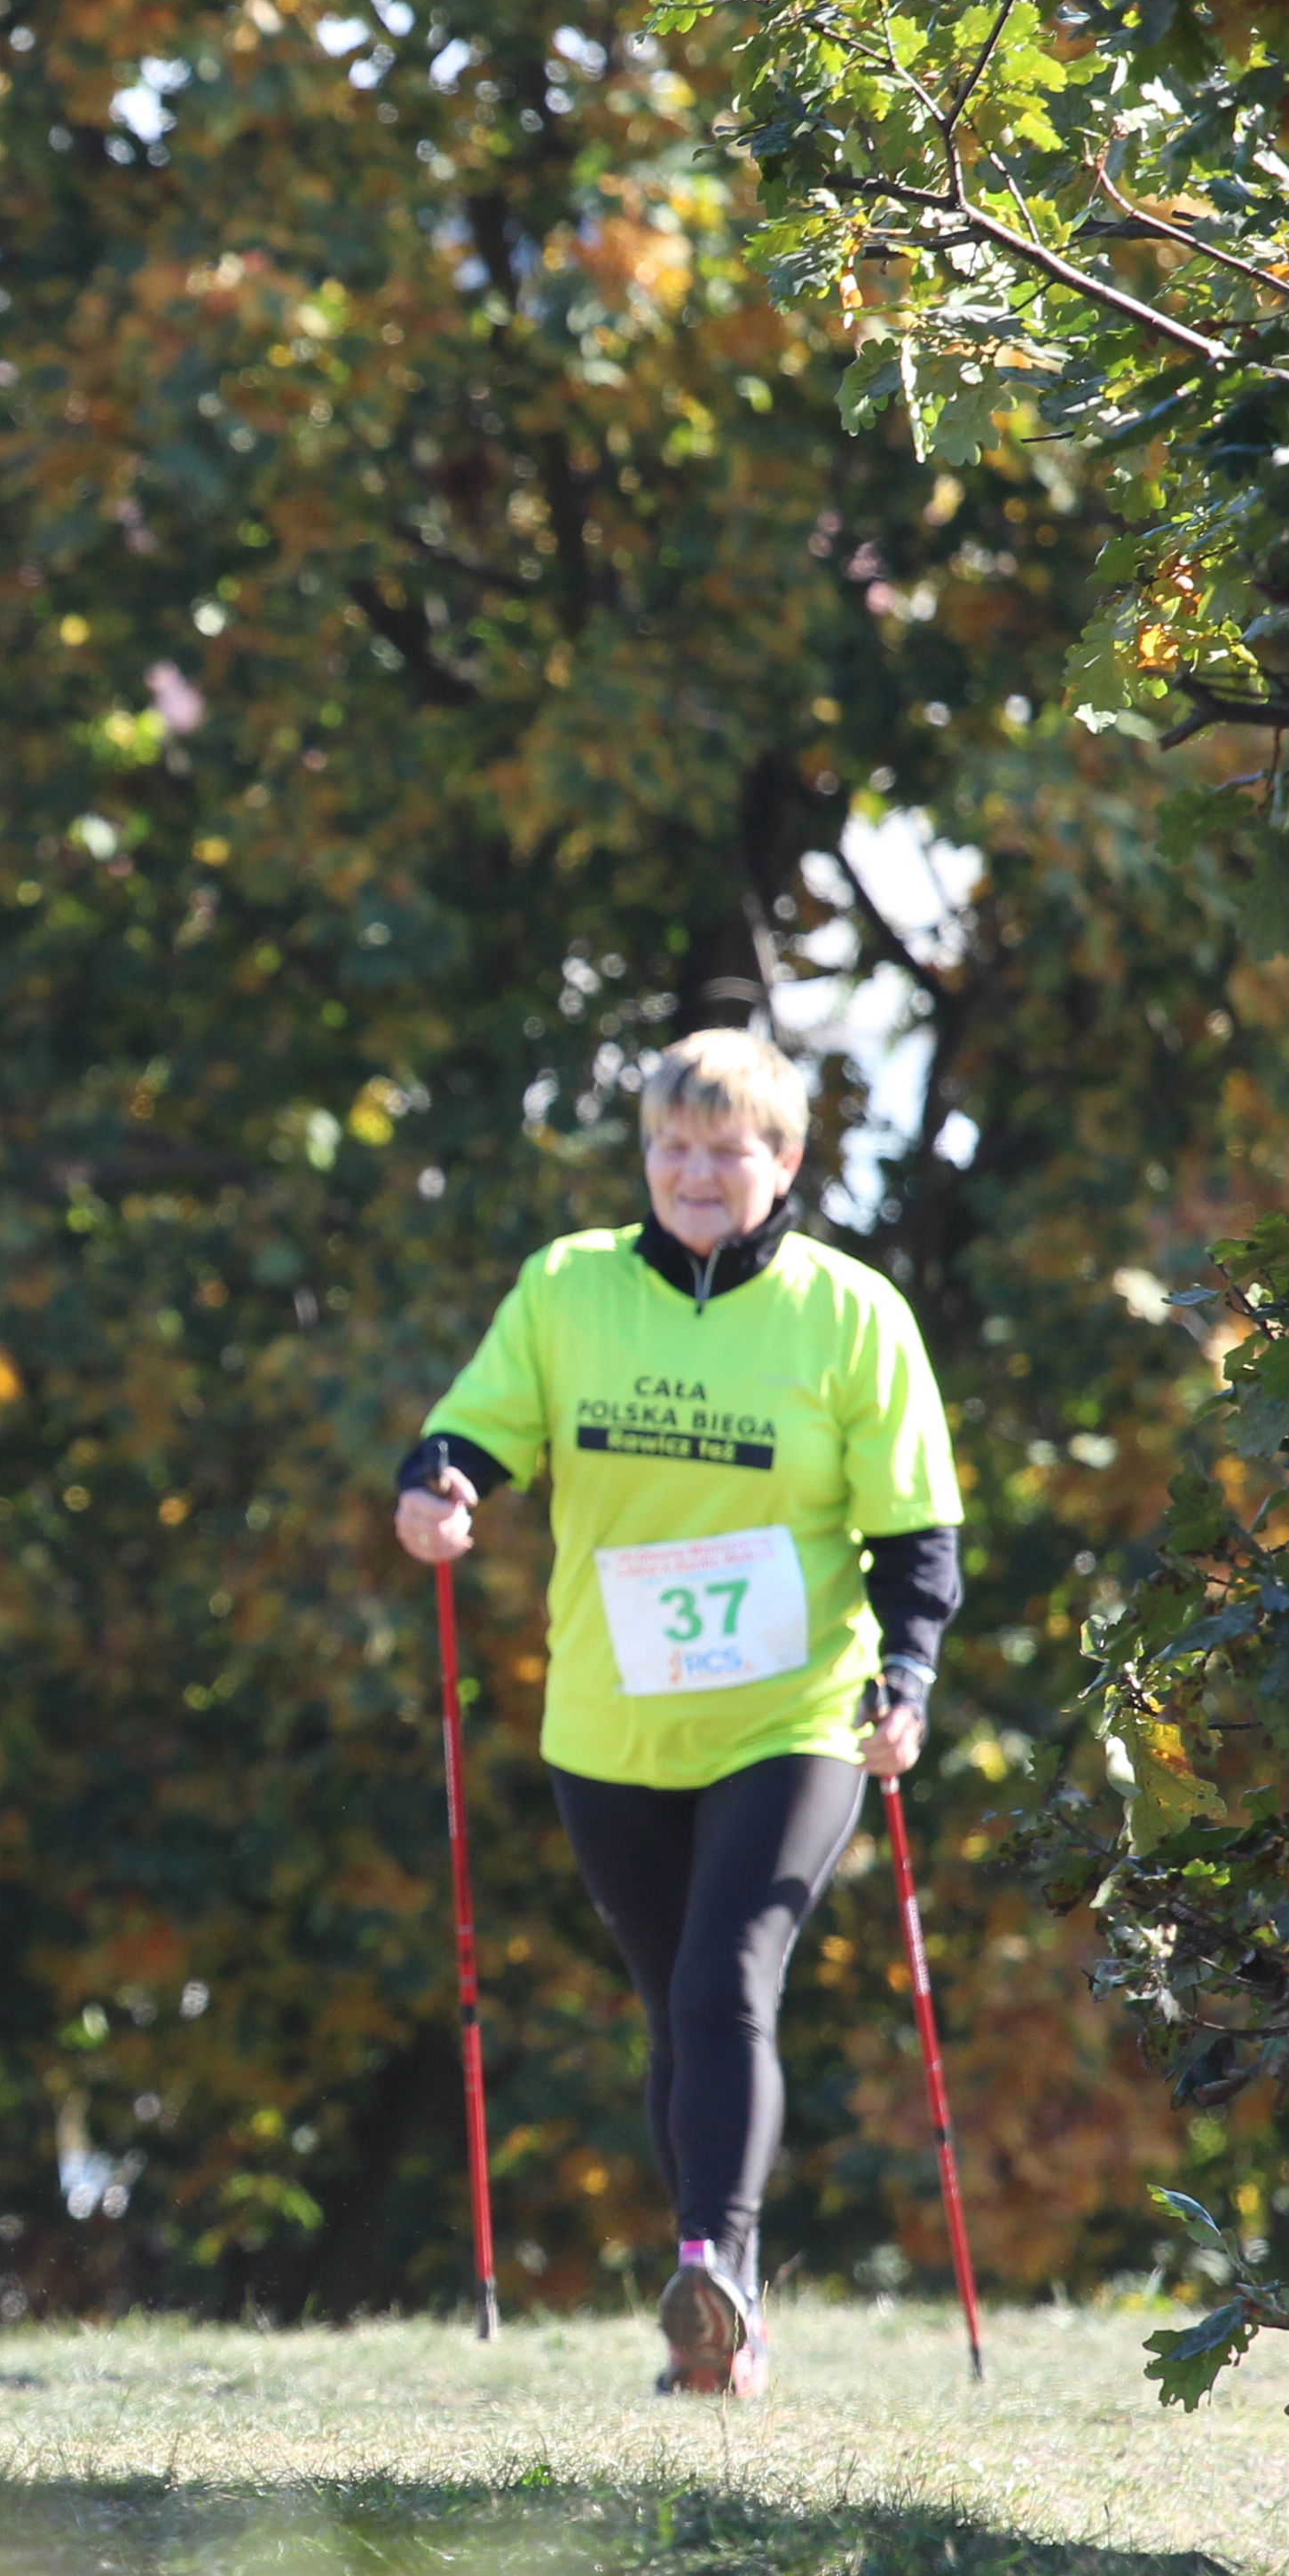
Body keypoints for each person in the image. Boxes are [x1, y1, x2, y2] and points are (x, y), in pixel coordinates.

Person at [390, 1027, 961, 2399]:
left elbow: (917, 1530)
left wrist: (909, 1678)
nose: (696, 1173)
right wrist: (440, 1489)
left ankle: (723, 2288)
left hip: (796, 1714)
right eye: (672, 1148)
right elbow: (474, 1431)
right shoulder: (571, 1287)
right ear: (644, 1157)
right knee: (675, 2009)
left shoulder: (850, 1313)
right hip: (614, 1723)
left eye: (727, 1149)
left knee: (726, 1986)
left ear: (785, 1161)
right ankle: (711, 2284)